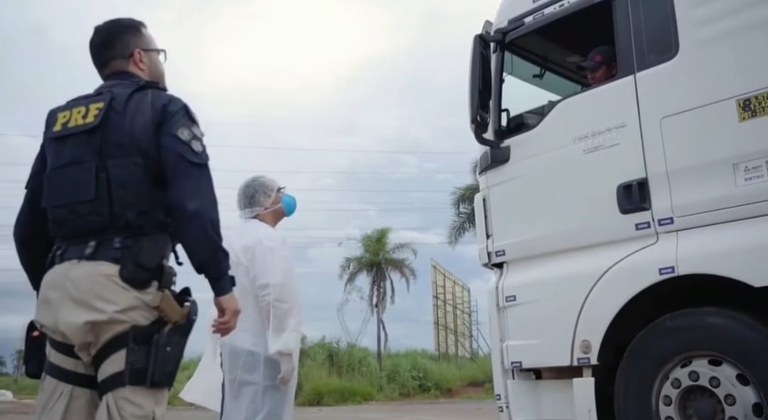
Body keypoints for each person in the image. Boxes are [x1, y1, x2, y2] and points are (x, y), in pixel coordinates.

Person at [12, 17, 241, 420]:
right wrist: (222, 285)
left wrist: (55, 290)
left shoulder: (60, 123)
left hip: (59, 292)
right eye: (157, 54)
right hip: (125, 290)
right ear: (140, 57)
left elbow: (26, 229)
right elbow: (194, 207)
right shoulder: (165, 109)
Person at [180, 175, 303, 420]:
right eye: (280, 191)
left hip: (235, 347)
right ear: (267, 201)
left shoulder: (233, 238)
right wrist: (285, 349)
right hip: (265, 350)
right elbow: (276, 296)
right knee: (265, 412)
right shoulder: (268, 240)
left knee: (238, 411)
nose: (285, 197)